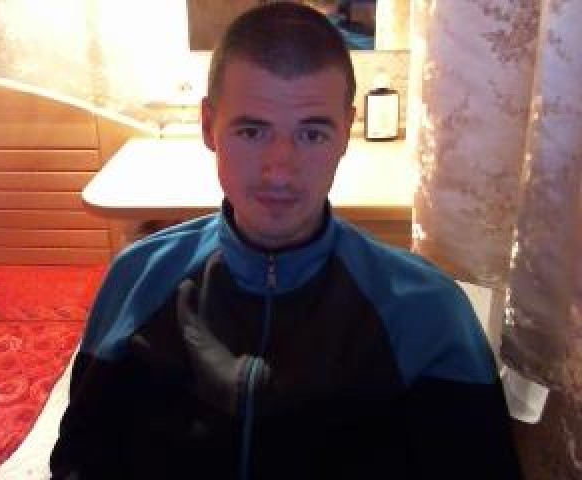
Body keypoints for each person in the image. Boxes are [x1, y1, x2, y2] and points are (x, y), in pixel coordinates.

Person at [50, 3, 522, 479]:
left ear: (346, 132)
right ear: (209, 126)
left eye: (312, 134)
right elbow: (80, 461)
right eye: (252, 131)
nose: (280, 170)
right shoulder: (138, 280)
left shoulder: (429, 312)